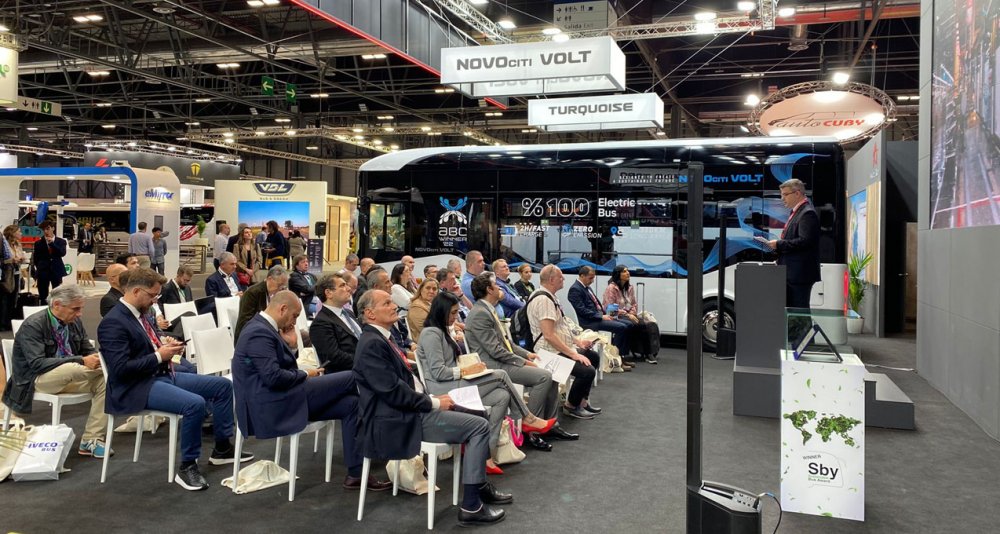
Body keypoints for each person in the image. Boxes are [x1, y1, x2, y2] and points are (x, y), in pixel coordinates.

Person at [352, 289, 511, 526]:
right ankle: (471, 505)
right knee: (478, 426)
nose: (394, 305)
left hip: (409, 408)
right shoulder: (372, 344)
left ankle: (480, 487)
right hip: (398, 419)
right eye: (387, 303)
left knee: (478, 412)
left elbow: (401, 387)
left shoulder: (380, 338)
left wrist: (432, 399)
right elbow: (393, 392)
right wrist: (434, 402)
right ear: (370, 313)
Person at [98, 268, 253, 491]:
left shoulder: (141, 313)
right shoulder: (113, 322)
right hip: (134, 387)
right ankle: (187, 466)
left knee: (223, 386)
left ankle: (222, 448)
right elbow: (121, 370)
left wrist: (164, 344)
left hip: (159, 376)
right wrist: (159, 355)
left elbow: (144, 347)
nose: (155, 301)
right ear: (136, 291)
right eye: (152, 296)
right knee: (194, 404)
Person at [232, 290, 390, 491]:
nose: (294, 321)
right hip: (272, 405)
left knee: (351, 404)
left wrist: (291, 347)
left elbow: (278, 368)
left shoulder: (263, 328)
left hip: (285, 396)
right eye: (295, 316)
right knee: (352, 377)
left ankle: (356, 474)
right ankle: (393, 418)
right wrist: (305, 374)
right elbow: (273, 377)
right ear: (283, 309)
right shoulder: (258, 332)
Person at [417, 291, 556, 474]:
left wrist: (470, 369)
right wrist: (467, 370)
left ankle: (485, 456)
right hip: (443, 388)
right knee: (500, 375)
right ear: (441, 311)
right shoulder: (431, 333)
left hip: (454, 382)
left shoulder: (442, 331)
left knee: (502, 396)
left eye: (456, 312)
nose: (455, 317)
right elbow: (438, 372)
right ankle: (526, 418)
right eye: (452, 313)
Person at [464, 272, 572, 450]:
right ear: (489, 289)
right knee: (544, 376)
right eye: (496, 285)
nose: (499, 288)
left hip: (501, 361)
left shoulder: (487, 309)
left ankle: (549, 425)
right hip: (493, 366)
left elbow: (507, 343)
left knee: (551, 375)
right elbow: (495, 351)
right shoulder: (480, 314)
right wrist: (523, 362)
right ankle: (531, 429)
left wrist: (527, 354)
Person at [2, 285, 109, 457]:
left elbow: (87, 349)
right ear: (57, 305)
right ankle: (115, 369)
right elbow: (37, 364)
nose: (80, 314)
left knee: (105, 381)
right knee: (74, 367)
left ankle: (91, 439)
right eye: (76, 309)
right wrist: (81, 360)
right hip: (35, 380)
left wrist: (94, 358)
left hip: (71, 376)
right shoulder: (34, 325)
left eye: (81, 308)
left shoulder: (74, 322)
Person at [528, 265, 601, 420]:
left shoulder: (550, 297)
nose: (564, 279)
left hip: (559, 347)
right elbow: (548, 335)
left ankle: (581, 401)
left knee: (593, 357)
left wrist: (578, 342)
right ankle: (571, 406)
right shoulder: (544, 300)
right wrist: (573, 354)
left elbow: (561, 326)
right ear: (551, 280)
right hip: (548, 353)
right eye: (560, 276)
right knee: (587, 371)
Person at [765, 178, 822, 310]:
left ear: (797, 193)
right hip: (793, 273)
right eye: (781, 195)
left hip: (799, 275)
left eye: (785, 194)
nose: (782, 198)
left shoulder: (807, 213)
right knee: (793, 313)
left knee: (799, 313)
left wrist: (779, 244)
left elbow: (805, 241)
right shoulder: (797, 212)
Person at [568, 265, 630, 358]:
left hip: (600, 315)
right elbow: (582, 310)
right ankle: (616, 356)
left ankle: (622, 356)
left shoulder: (586, 287)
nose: (592, 281)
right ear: (582, 276)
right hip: (590, 321)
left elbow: (598, 306)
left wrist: (610, 314)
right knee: (622, 327)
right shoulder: (575, 289)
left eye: (593, 278)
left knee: (629, 324)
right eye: (590, 278)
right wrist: (602, 316)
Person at [310, 273, 363, 374]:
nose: (349, 289)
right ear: (328, 293)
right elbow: (334, 357)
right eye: (342, 286)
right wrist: (365, 360)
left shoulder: (348, 313)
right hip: (349, 373)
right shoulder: (321, 323)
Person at [233, 265, 289, 341]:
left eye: (283, 287)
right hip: (250, 337)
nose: (280, 289)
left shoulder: (274, 293)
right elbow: (245, 322)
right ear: (269, 279)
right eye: (279, 285)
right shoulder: (252, 293)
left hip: (265, 332)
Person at [602, 265, 640, 367]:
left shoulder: (629, 288)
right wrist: (627, 314)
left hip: (627, 314)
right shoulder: (611, 288)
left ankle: (624, 356)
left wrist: (632, 313)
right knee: (628, 325)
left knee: (641, 324)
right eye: (624, 271)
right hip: (614, 314)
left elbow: (634, 303)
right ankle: (617, 357)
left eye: (628, 271)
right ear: (618, 274)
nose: (628, 273)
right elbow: (609, 308)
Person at [32, 221, 67, 303]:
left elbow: (62, 253)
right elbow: (36, 258)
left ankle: (55, 308)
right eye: (43, 229)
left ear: (53, 228)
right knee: (43, 294)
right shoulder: (38, 243)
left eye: (48, 229)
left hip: (56, 269)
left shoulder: (61, 241)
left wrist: (52, 244)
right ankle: (44, 307)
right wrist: (40, 267)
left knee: (57, 293)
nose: (46, 231)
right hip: (43, 270)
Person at [1, 225, 25, 330]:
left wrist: (21, 259)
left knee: (13, 299)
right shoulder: (4, 244)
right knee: (5, 298)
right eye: (19, 231)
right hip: (7, 274)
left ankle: (9, 322)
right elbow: (3, 260)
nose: (21, 233)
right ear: (12, 233)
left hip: (17, 273)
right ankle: (3, 323)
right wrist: (12, 260)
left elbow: (20, 256)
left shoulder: (18, 244)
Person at [406, 277, 438, 342]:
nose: (431, 291)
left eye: (434, 289)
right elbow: (428, 331)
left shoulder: (434, 304)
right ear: (421, 289)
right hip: (427, 343)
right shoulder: (416, 307)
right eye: (428, 288)